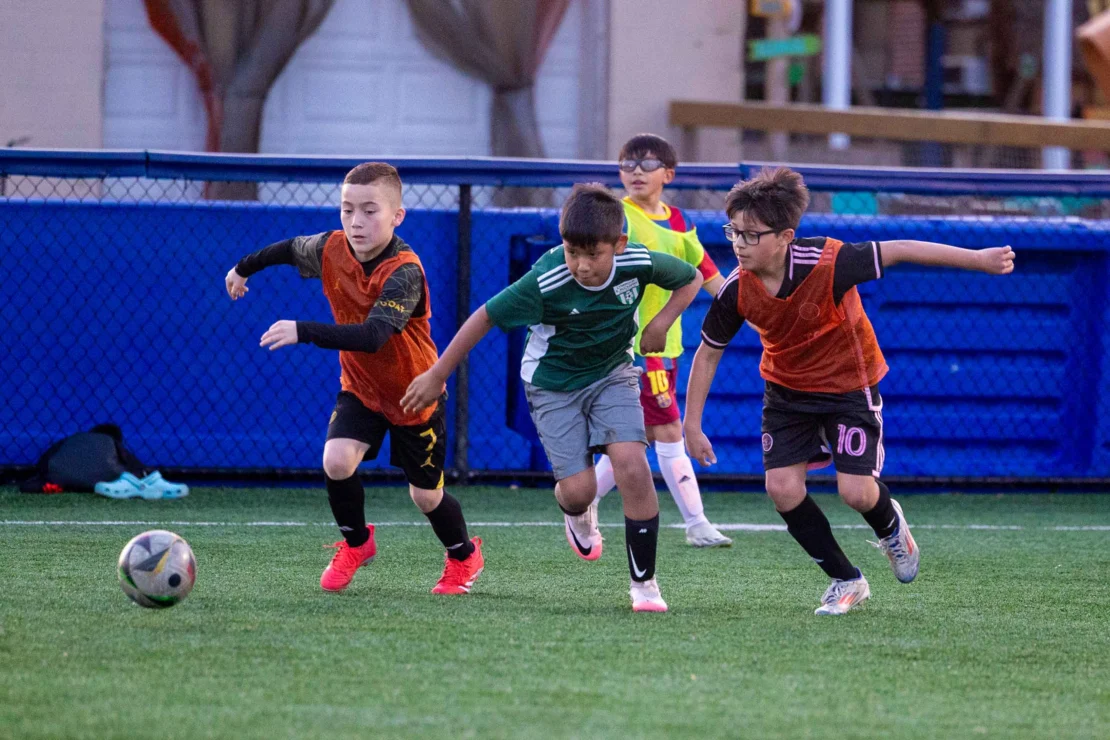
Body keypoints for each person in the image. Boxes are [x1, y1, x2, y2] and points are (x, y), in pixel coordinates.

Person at [683, 167, 1015, 615]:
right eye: (733, 233)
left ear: (785, 237)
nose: (738, 244)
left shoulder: (831, 262)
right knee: (781, 488)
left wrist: (978, 259)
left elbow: (901, 249)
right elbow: (706, 354)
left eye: (750, 235)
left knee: (856, 492)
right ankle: (846, 580)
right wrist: (692, 423)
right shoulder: (735, 291)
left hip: (848, 388)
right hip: (787, 393)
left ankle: (890, 527)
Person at [402, 183, 703, 612]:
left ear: (619, 244)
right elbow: (484, 317)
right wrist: (436, 375)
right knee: (578, 491)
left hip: (613, 374)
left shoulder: (637, 261)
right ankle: (577, 512)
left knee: (633, 466)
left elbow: (690, 278)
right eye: (571, 251)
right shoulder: (546, 279)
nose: (580, 265)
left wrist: (660, 323)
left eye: (592, 255)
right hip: (552, 386)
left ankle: (645, 585)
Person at [224, 162, 483, 595]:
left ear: (397, 215)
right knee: (336, 461)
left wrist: (302, 330)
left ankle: (463, 556)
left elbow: (374, 336)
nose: (356, 222)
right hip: (361, 390)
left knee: (425, 498)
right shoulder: (330, 248)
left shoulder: (405, 271)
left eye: (369, 211)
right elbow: (288, 248)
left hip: (413, 395)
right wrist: (242, 268)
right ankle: (357, 543)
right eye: (347, 210)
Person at [591, 133, 732, 548]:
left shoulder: (679, 220)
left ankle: (579, 499)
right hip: (631, 345)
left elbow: (704, 268)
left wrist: (741, 305)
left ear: (668, 174)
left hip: (666, 344)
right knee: (669, 427)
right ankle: (697, 524)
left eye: (647, 164)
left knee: (643, 436)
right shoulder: (617, 216)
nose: (636, 171)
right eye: (627, 164)